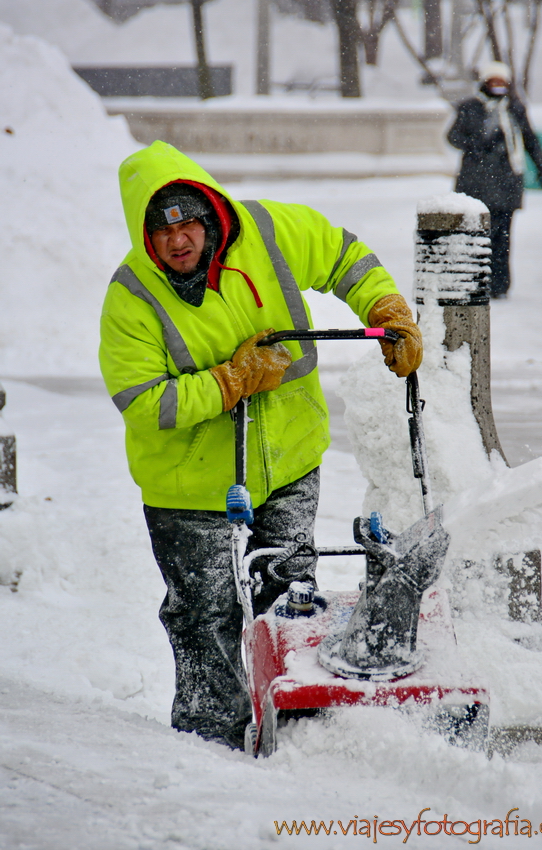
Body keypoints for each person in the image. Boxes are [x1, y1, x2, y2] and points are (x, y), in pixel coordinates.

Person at [99, 140, 422, 750]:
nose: (177, 240)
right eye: (160, 230)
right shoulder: (132, 298)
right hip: (187, 486)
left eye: (187, 221)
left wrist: (384, 306)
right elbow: (143, 400)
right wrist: (230, 382)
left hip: (288, 458)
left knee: (289, 595)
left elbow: (341, 254)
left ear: (209, 212)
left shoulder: (267, 230)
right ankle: (210, 739)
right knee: (205, 613)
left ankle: (300, 725)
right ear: (144, 234)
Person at [447, 61, 542, 299]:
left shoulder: (514, 108)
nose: (498, 86)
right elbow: (453, 136)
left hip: (505, 183)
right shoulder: (470, 107)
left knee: (502, 236)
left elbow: (529, 139)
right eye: (493, 82)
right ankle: (475, 283)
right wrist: (477, 145)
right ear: (484, 83)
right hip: (476, 184)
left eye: (502, 82)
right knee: (474, 236)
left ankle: (499, 284)